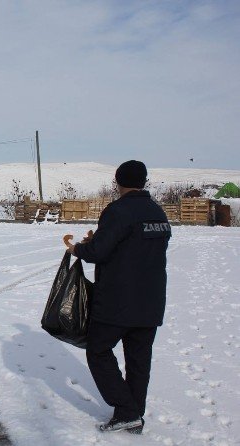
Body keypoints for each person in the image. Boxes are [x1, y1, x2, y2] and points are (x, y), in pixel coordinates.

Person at [68, 160, 171, 434]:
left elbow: (99, 251)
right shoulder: (158, 213)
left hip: (117, 301)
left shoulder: (118, 210)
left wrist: (79, 249)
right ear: (144, 182)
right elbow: (134, 247)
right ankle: (134, 415)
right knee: (139, 360)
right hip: (151, 301)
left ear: (118, 182)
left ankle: (127, 412)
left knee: (98, 350)